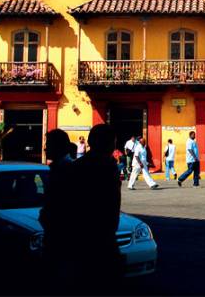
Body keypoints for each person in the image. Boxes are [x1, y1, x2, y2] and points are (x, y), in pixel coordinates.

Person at [68, 124, 124, 292]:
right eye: (112, 142)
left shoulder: (79, 166)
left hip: (89, 237)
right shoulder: (106, 167)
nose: (114, 146)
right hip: (96, 237)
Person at [39, 129, 76, 287]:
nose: (46, 148)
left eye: (50, 144)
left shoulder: (67, 169)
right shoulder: (59, 168)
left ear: (61, 146)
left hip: (61, 232)